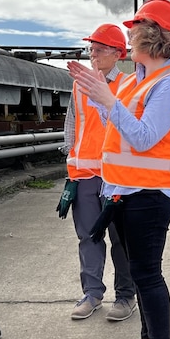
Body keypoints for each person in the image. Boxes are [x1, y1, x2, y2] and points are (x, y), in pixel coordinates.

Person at [68, 0, 170, 339]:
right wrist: (103, 99)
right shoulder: (137, 80)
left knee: (149, 276)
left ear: (152, 37)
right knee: (141, 276)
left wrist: (107, 101)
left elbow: (143, 137)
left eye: (134, 30)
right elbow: (117, 131)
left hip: (150, 196)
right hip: (122, 193)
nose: (128, 37)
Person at [62, 24, 137, 321]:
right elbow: (72, 123)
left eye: (100, 49)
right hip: (83, 174)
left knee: (121, 238)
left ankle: (125, 296)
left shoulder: (127, 85)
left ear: (118, 53)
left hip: (116, 176)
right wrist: (71, 155)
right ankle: (92, 294)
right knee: (88, 236)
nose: (93, 54)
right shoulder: (79, 85)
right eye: (91, 49)